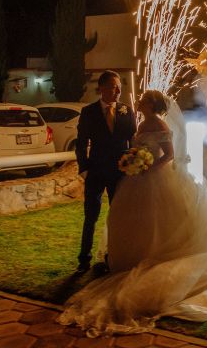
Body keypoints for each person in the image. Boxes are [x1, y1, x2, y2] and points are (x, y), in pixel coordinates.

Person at [59, 90, 207, 336]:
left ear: (152, 104)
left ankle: (157, 256)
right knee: (134, 221)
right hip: (137, 179)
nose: (138, 101)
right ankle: (133, 258)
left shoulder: (159, 123)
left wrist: (148, 166)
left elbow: (170, 155)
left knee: (160, 220)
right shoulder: (141, 122)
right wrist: (133, 161)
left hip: (157, 178)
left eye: (143, 99)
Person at [75, 70, 137, 272]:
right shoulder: (89, 112)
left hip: (119, 173)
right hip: (95, 171)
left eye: (119, 86)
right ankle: (84, 258)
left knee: (117, 216)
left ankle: (114, 255)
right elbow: (81, 143)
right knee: (90, 216)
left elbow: (133, 141)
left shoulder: (127, 111)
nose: (117, 90)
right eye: (112, 86)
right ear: (101, 88)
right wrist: (84, 169)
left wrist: (132, 162)